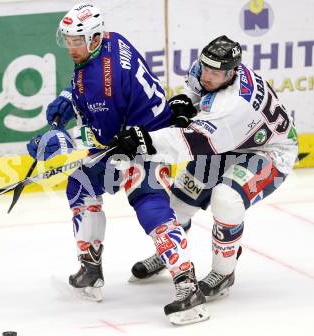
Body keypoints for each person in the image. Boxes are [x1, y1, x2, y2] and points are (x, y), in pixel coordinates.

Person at [26, 3, 208, 325]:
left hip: (148, 143)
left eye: (77, 41)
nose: (71, 46)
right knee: (81, 183)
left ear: (95, 38)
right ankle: (91, 268)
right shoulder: (111, 41)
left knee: (149, 205)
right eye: (68, 40)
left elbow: (102, 136)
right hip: (134, 132)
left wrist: (59, 142)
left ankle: (187, 285)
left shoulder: (100, 79)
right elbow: (93, 88)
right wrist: (69, 99)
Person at [109, 35, 299, 301]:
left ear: (232, 72)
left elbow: (186, 142)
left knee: (226, 198)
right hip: (228, 143)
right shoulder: (209, 70)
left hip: (267, 153)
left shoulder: (232, 106)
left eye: (215, 73)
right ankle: (171, 253)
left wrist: (144, 141)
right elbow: (196, 92)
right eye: (205, 68)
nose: (207, 76)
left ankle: (224, 272)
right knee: (177, 207)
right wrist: (187, 100)